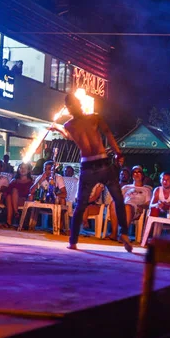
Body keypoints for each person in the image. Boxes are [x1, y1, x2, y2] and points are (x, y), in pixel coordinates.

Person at [50, 93, 132, 252]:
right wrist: (118, 153)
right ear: (80, 105)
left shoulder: (69, 125)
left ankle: (73, 241)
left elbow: (72, 137)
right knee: (118, 199)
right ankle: (124, 234)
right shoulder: (94, 118)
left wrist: (58, 128)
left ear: (69, 108)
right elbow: (108, 133)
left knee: (81, 204)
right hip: (102, 163)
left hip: (88, 165)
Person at [109, 166, 152, 240]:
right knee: (114, 203)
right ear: (132, 176)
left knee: (127, 207)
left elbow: (149, 203)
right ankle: (114, 233)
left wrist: (142, 206)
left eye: (139, 172)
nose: (136, 174)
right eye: (134, 172)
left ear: (142, 175)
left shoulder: (147, 189)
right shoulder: (126, 187)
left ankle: (123, 234)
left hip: (135, 208)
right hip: (123, 206)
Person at [2, 162, 33, 228]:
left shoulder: (31, 182)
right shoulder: (14, 180)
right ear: (18, 169)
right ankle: (15, 213)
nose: (22, 169)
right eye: (21, 168)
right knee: (10, 195)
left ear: (28, 170)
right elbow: (7, 191)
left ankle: (9, 221)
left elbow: (31, 192)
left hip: (24, 200)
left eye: (25, 168)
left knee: (13, 192)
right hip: (12, 200)